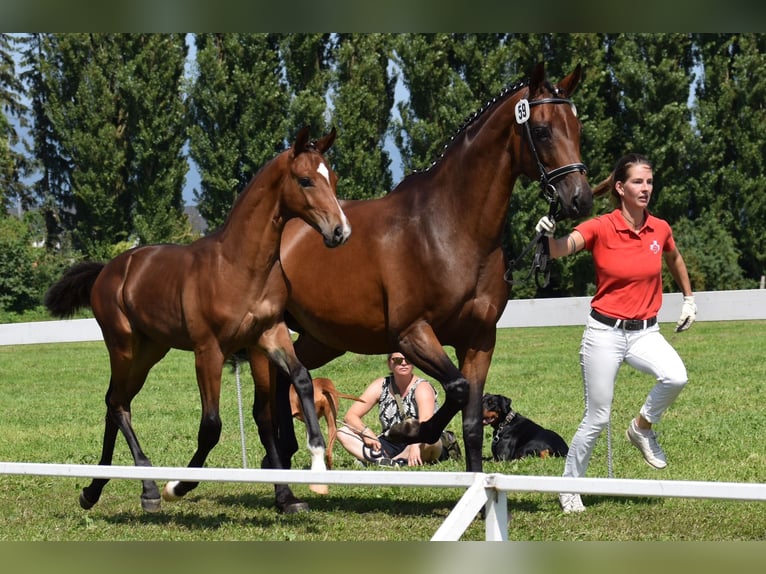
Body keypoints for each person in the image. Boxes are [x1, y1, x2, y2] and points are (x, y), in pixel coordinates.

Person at [535, 152, 697, 513]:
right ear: (620, 188)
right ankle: (569, 489)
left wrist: (688, 298)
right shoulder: (599, 227)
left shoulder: (661, 228)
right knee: (598, 417)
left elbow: (674, 258)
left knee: (676, 376)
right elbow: (561, 250)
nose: (646, 188)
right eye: (638, 182)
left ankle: (641, 427)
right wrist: (547, 237)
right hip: (604, 334)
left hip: (645, 333)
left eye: (649, 182)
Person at [337, 352, 444, 467]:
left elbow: (426, 421)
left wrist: (415, 444)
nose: (403, 363)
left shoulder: (422, 387)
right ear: (389, 364)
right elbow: (350, 416)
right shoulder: (381, 385)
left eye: (408, 359)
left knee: (431, 441)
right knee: (342, 432)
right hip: (390, 441)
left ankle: (381, 460)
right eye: (397, 360)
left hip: (421, 440)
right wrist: (366, 433)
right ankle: (389, 462)